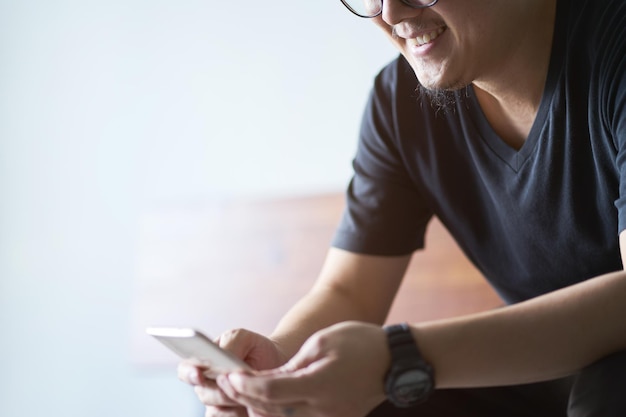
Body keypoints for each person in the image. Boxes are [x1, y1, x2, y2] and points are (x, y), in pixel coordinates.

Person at [178, 0, 626, 415]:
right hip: (543, 376)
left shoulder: (613, 46)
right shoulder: (400, 105)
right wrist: (279, 363)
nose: (390, 12)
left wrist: (401, 357)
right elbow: (349, 293)